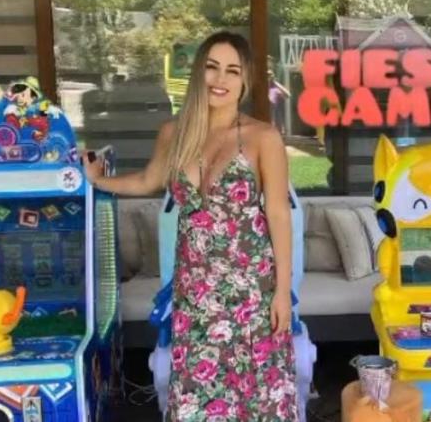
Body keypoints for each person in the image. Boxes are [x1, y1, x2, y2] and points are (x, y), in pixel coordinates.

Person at [83, 31, 298, 421]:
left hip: (250, 294)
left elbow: (279, 214)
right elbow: (147, 180)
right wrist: (99, 181)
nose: (220, 79)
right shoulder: (174, 132)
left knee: (257, 399)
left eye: (233, 71)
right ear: (199, 72)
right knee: (195, 400)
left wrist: (282, 293)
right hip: (196, 296)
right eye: (212, 67)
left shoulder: (263, 137)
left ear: (246, 80)